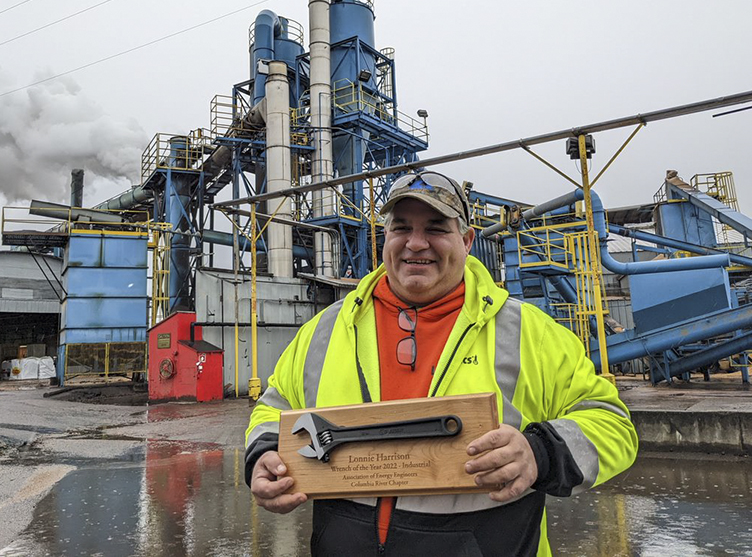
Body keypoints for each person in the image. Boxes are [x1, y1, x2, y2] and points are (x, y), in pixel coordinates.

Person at [245, 171, 638, 556]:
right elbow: (275, 407)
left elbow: (611, 423)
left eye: (435, 228)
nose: (416, 244)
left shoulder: (527, 332)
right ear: (386, 238)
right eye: (401, 228)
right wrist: (263, 455)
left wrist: (539, 454)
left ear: (466, 240)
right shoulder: (326, 329)